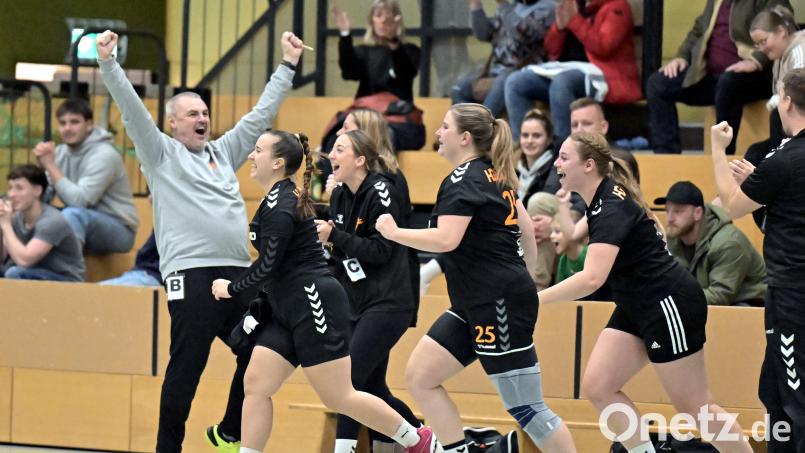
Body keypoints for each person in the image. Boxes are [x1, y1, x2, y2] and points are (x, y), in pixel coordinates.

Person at [95, 29, 302, 453]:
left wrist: (287, 65)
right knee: (186, 370)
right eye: (191, 113)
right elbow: (132, 111)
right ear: (173, 123)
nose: (200, 118)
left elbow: (261, 116)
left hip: (237, 274)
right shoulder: (161, 154)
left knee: (262, 346)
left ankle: (228, 431)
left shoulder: (224, 153)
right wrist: (108, 63)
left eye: (204, 111)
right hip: (190, 276)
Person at [209, 130, 437, 453]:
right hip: (284, 307)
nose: (250, 155)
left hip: (313, 302)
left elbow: (268, 264)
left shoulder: (282, 205)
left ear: (277, 163)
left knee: (339, 395)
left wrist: (231, 288)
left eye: (257, 150)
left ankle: (417, 439)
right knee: (256, 384)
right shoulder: (276, 199)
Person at [375, 103, 577, 453]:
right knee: (421, 376)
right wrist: (524, 280)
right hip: (476, 302)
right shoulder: (493, 174)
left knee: (527, 407)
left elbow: (445, 238)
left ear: (465, 137)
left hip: (496, 302)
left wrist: (393, 231)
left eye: (444, 127)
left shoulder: (465, 179)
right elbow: (526, 230)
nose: (438, 134)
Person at [540, 132, 752, 452]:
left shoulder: (610, 205)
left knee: (696, 407)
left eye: (563, 157)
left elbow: (592, 279)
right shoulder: (599, 201)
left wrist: (536, 299)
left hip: (667, 302)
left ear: (588, 165)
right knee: (600, 387)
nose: (556, 163)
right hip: (636, 303)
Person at [711, 69, 805, 451]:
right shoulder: (782, 163)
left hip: (792, 295)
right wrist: (763, 181)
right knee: (775, 389)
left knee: (795, 396)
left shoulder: (785, 158)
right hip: (790, 291)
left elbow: (732, 206)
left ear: (786, 101)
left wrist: (717, 149)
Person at [316, 130, 420, 453]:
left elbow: (381, 251)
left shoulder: (381, 191)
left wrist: (335, 236)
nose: (331, 155)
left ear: (360, 160)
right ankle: (424, 439)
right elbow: (341, 255)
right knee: (373, 389)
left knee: (348, 382)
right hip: (356, 303)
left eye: (340, 149)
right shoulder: (338, 196)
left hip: (389, 302)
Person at [645, 0, 791, 154]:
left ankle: (723, 154)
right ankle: (667, 155)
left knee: (728, 82)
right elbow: (698, 30)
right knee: (658, 83)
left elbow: (782, 23)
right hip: (710, 76)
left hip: (753, 78)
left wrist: (756, 61)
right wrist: (681, 56)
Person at [326, 108, 421, 323]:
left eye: (347, 128)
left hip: (387, 284)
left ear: (363, 137)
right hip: (359, 283)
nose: (340, 132)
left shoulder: (387, 180)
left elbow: (382, 245)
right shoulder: (348, 182)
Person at [504, 0, 641, 142]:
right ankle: (522, 148)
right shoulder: (573, 6)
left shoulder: (617, 7)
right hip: (564, 71)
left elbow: (604, 47)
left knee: (562, 82)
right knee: (516, 82)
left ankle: (563, 150)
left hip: (603, 77)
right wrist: (559, 27)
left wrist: (575, 21)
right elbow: (551, 51)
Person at [32, 99, 138, 254]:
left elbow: (80, 201)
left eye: (74, 122)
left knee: (72, 214)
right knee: (22, 208)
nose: (67, 128)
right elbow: (43, 200)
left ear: (89, 125)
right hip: (79, 219)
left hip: (119, 229)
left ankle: (70, 272)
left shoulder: (104, 154)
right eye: (62, 123)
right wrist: (40, 173)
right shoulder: (60, 153)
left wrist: (51, 166)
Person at [327, 1, 424, 152]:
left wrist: (394, 43)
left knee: (384, 136)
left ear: (397, 21)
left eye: (389, 17)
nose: (384, 21)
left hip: (396, 118)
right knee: (336, 138)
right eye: (379, 16)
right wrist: (345, 35)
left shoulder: (410, 51)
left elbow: (405, 74)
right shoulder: (364, 51)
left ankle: (380, 176)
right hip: (365, 115)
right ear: (372, 20)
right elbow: (349, 73)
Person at [656, 181, 766, 306]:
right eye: (667, 210)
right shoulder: (674, 239)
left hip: (750, 306)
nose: (670, 218)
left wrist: (674, 301)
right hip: (709, 302)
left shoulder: (728, 242)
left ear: (697, 213)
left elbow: (720, 296)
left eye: (678, 211)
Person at [452, 0, 556, 117]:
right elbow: (484, 34)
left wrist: (503, 4)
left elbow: (522, 34)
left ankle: (480, 130)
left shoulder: (547, 8)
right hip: (495, 73)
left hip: (524, 72)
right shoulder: (513, 6)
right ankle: (465, 129)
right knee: (460, 87)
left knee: (504, 82)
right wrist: (475, 5)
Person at [0, 164, 84, 282]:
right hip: (31, 273)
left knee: (15, 273)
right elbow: (2, 258)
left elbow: (25, 261)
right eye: (10, 188)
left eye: (19, 188)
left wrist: (5, 225)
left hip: (66, 281)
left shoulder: (52, 221)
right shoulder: (16, 218)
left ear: (37, 191)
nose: (12, 194)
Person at [748, 5, 804, 156]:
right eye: (757, 44)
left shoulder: (800, 49)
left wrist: (777, 100)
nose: (761, 49)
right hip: (790, 127)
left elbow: (798, 90)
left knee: (776, 115)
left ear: (781, 31)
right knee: (754, 153)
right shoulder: (779, 58)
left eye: (764, 41)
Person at [517, 109, 559, 206]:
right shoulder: (515, 170)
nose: (529, 141)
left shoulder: (556, 170)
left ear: (549, 139)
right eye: (525, 135)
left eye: (536, 136)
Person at [526, 192, 559, 290]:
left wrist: (555, 222)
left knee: (537, 201)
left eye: (537, 221)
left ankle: (538, 289)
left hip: (571, 210)